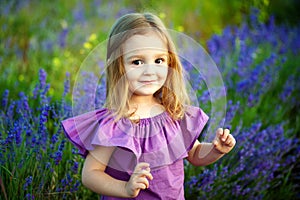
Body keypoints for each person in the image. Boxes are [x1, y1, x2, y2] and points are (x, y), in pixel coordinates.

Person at [62, 12, 236, 200]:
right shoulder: (114, 123)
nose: (150, 71)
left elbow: (194, 154)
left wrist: (216, 150)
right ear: (119, 67)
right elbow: (91, 174)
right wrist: (125, 188)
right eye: (137, 62)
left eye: (158, 60)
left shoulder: (173, 113)